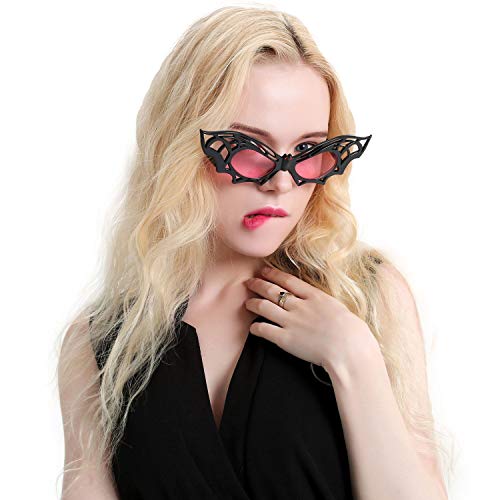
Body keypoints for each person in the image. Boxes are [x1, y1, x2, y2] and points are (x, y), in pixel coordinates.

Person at [56, 5, 449, 499]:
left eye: (308, 152)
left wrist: (354, 358)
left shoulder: (369, 296)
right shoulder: (102, 345)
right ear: (181, 146)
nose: (281, 183)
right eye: (248, 148)